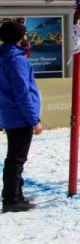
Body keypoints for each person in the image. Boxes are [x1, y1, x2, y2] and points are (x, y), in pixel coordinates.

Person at [0, 21, 43, 212]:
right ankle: (11, 199)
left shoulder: (5, 56)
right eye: (25, 35)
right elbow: (22, 93)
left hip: (10, 114)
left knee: (15, 158)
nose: (27, 38)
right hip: (19, 116)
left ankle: (15, 193)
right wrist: (34, 119)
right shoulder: (16, 60)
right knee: (16, 159)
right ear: (20, 37)